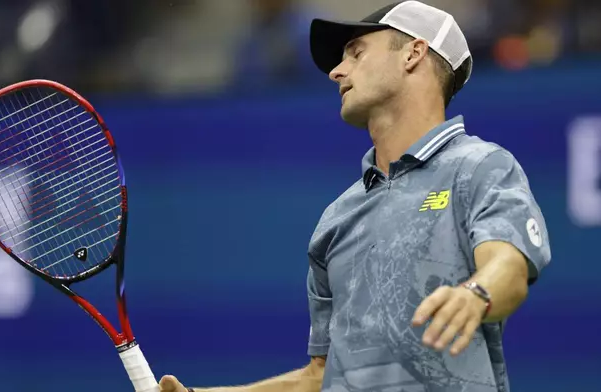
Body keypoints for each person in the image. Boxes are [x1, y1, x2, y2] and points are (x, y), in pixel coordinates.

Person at [159, 1, 551, 391]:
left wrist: (475, 294)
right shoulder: (336, 218)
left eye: (356, 53)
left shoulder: (480, 166)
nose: (336, 71)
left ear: (413, 53)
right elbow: (320, 376)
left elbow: (509, 267)